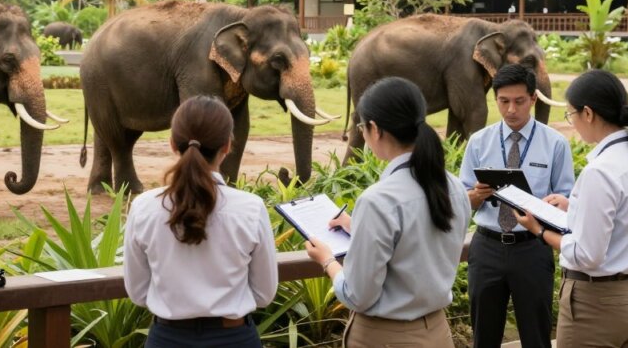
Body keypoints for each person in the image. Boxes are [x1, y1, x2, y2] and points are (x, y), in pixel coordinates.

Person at [306, 76, 471, 347]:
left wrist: (327, 261)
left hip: (386, 337)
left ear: (375, 129)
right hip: (438, 332)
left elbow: (358, 295)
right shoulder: (452, 186)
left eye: (361, 127)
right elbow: (421, 242)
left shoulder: (378, 201)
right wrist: (358, 225)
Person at [513, 69, 628, 347]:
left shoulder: (601, 171)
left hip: (597, 306)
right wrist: (576, 208)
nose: (573, 122)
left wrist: (538, 229)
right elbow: (624, 219)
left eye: (571, 115)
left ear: (589, 113)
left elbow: (586, 255)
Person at [123, 95, 277, 348]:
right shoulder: (250, 208)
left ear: (173, 144)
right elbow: (264, 293)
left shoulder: (143, 207)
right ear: (227, 145)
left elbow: (138, 292)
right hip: (234, 339)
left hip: (167, 339)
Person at [459, 63, 574, 348]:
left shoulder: (555, 143)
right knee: (484, 336)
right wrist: (476, 195)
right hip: (486, 248)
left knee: (536, 335)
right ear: (495, 98)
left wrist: (552, 205)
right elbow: (463, 198)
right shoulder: (478, 142)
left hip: (532, 246)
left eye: (519, 101)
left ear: (534, 98)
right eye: (504, 101)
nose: (511, 109)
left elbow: (565, 199)